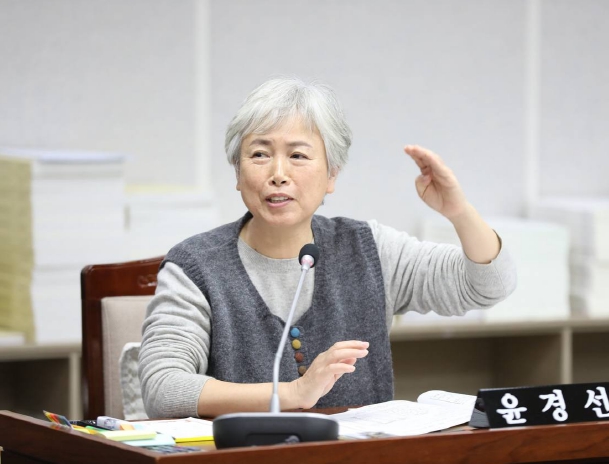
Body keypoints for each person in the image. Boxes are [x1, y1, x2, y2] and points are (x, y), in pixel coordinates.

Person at [139, 77, 516, 419]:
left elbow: (488, 287)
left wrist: (459, 212)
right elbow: (163, 389)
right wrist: (293, 393)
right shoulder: (196, 266)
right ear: (238, 171)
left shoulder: (368, 250)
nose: (278, 174)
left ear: (331, 174)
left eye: (298, 156)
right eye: (260, 154)